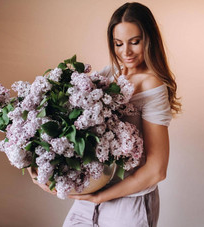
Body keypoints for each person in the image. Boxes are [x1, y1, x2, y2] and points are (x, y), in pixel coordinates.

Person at [29, 2, 181, 226]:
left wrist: (100, 197)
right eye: (118, 43)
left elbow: (156, 170)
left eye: (135, 42)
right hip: (93, 195)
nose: (125, 52)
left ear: (149, 40)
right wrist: (44, 171)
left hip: (129, 202)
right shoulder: (110, 75)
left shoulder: (151, 85)